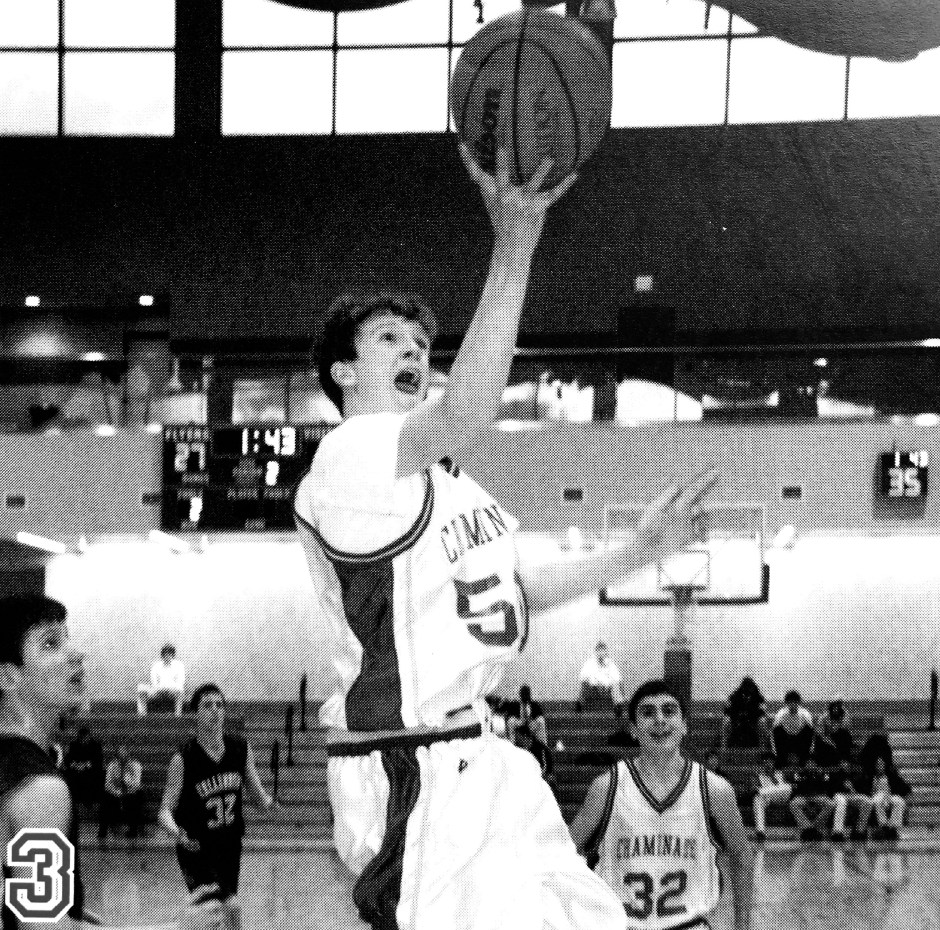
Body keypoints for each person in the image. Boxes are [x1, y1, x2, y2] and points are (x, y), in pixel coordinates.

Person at [292, 144, 719, 930]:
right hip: (409, 762)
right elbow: (465, 410)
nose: (415, 348)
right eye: (389, 339)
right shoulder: (349, 456)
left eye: (422, 342)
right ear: (344, 374)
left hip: (480, 753)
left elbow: (515, 591)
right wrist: (516, 240)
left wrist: (637, 553)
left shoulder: (453, 488)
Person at [0, 594, 225, 930]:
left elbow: (24, 908)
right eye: (51, 643)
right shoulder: (41, 790)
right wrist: (168, 929)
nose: (76, 654)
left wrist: (70, 913)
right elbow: (41, 927)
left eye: (68, 639)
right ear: (9, 676)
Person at [569, 680, 753, 930]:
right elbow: (562, 855)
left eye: (669, 711)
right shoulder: (607, 787)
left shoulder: (715, 789)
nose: (659, 720)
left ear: (685, 725)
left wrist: (742, 926)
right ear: (633, 729)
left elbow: (741, 855)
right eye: (647, 712)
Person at [159, 683, 275, 914]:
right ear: (196, 713)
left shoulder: (241, 749)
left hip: (230, 844)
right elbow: (164, 811)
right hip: (196, 846)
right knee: (216, 909)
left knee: (228, 910)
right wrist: (177, 833)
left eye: (219, 705)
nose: (215, 710)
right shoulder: (183, 758)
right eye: (207, 705)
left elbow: (258, 794)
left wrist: (270, 803)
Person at [859, 752, 911, 841]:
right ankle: (884, 826)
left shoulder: (891, 776)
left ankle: (892, 827)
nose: (880, 766)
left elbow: (906, 788)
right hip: (875, 798)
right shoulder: (869, 777)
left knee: (899, 801)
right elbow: (863, 790)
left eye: (882, 764)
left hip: (889, 797)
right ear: (874, 765)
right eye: (878, 764)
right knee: (878, 799)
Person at [100, 744, 145, 842]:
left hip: (131, 792)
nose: (122, 761)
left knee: (134, 798)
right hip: (116, 792)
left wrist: (126, 779)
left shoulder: (136, 765)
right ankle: (102, 831)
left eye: (124, 758)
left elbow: (136, 784)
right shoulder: (112, 765)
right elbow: (107, 784)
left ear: (129, 756)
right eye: (120, 758)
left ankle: (133, 830)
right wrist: (117, 792)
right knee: (105, 799)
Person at [788, 755, 836, 841]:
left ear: (816, 765)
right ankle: (810, 829)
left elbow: (825, 787)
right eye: (808, 763)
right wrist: (812, 783)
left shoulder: (823, 773)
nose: (810, 765)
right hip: (803, 796)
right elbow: (799, 788)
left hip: (819, 796)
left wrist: (811, 782)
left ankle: (811, 830)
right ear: (805, 765)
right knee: (793, 804)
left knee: (831, 804)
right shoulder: (798, 773)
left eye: (813, 763)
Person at [750, 753, 795, 843]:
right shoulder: (758, 775)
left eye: (770, 761)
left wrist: (773, 778)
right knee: (757, 799)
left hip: (782, 797)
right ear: (762, 764)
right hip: (768, 798)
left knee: (788, 787)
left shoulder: (780, 773)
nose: (768, 764)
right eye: (765, 762)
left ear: (773, 763)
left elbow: (787, 788)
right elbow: (752, 789)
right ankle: (760, 831)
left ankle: (762, 791)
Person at [578, 641, 626, 717]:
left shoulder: (610, 664)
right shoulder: (590, 663)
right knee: (585, 683)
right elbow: (583, 676)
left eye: (603, 651)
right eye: (599, 651)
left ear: (605, 652)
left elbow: (617, 677)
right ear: (596, 652)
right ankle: (579, 705)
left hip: (606, 688)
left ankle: (618, 707)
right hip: (593, 688)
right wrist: (596, 683)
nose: (601, 653)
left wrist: (607, 685)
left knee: (616, 685)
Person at [721, 676, 769, 750]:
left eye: (749, 694)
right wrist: (736, 716)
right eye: (744, 694)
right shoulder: (734, 696)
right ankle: (724, 749)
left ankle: (762, 749)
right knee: (726, 720)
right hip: (737, 723)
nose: (746, 696)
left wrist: (751, 715)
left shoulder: (759, 697)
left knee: (762, 721)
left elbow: (763, 712)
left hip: (753, 723)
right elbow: (726, 710)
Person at [64, 725, 104, 813]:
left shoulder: (96, 745)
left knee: (91, 777)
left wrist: (85, 765)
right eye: (81, 738)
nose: (83, 740)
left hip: (90, 770)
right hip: (76, 769)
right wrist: (74, 764)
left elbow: (98, 760)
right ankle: (73, 801)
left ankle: (88, 800)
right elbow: (68, 759)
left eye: (85, 738)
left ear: (89, 737)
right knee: (69, 776)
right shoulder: (74, 744)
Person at [138, 643, 186, 717]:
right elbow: (154, 682)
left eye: (169, 654)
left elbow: (180, 682)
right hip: (158, 691)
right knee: (141, 688)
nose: (167, 656)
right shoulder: (156, 666)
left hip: (173, 692)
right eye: (165, 654)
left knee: (180, 691)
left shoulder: (179, 666)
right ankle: (142, 715)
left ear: (173, 655)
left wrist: (169, 688)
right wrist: (160, 689)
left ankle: (178, 716)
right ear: (162, 655)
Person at [771, 690, 815, 766]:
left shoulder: (805, 714)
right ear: (786, 703)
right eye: (790, 702)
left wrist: (811, 751)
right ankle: (782, 760)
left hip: (800, 742)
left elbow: (812, 734)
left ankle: (804, 760)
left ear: (798, 703)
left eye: (795, 702)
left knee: (808, 729)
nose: (792, 704)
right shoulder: (781, 714)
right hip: (786, 742)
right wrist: (775, 752)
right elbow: (773, 734)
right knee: (777, 729)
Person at [506, 683, 548, 748]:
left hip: (531, 725)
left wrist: (532, 721)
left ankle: (543, 746)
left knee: (541, 720)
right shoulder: (515, 705)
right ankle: (512, 746)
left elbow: (540, 715)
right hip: (520, 723)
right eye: (523, 694)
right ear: (520, 695)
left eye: (527, 694)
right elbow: (509, 716)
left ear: (529, 695)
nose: (525, 696)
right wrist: (518, 721)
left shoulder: (534, 705)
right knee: (511, 721)